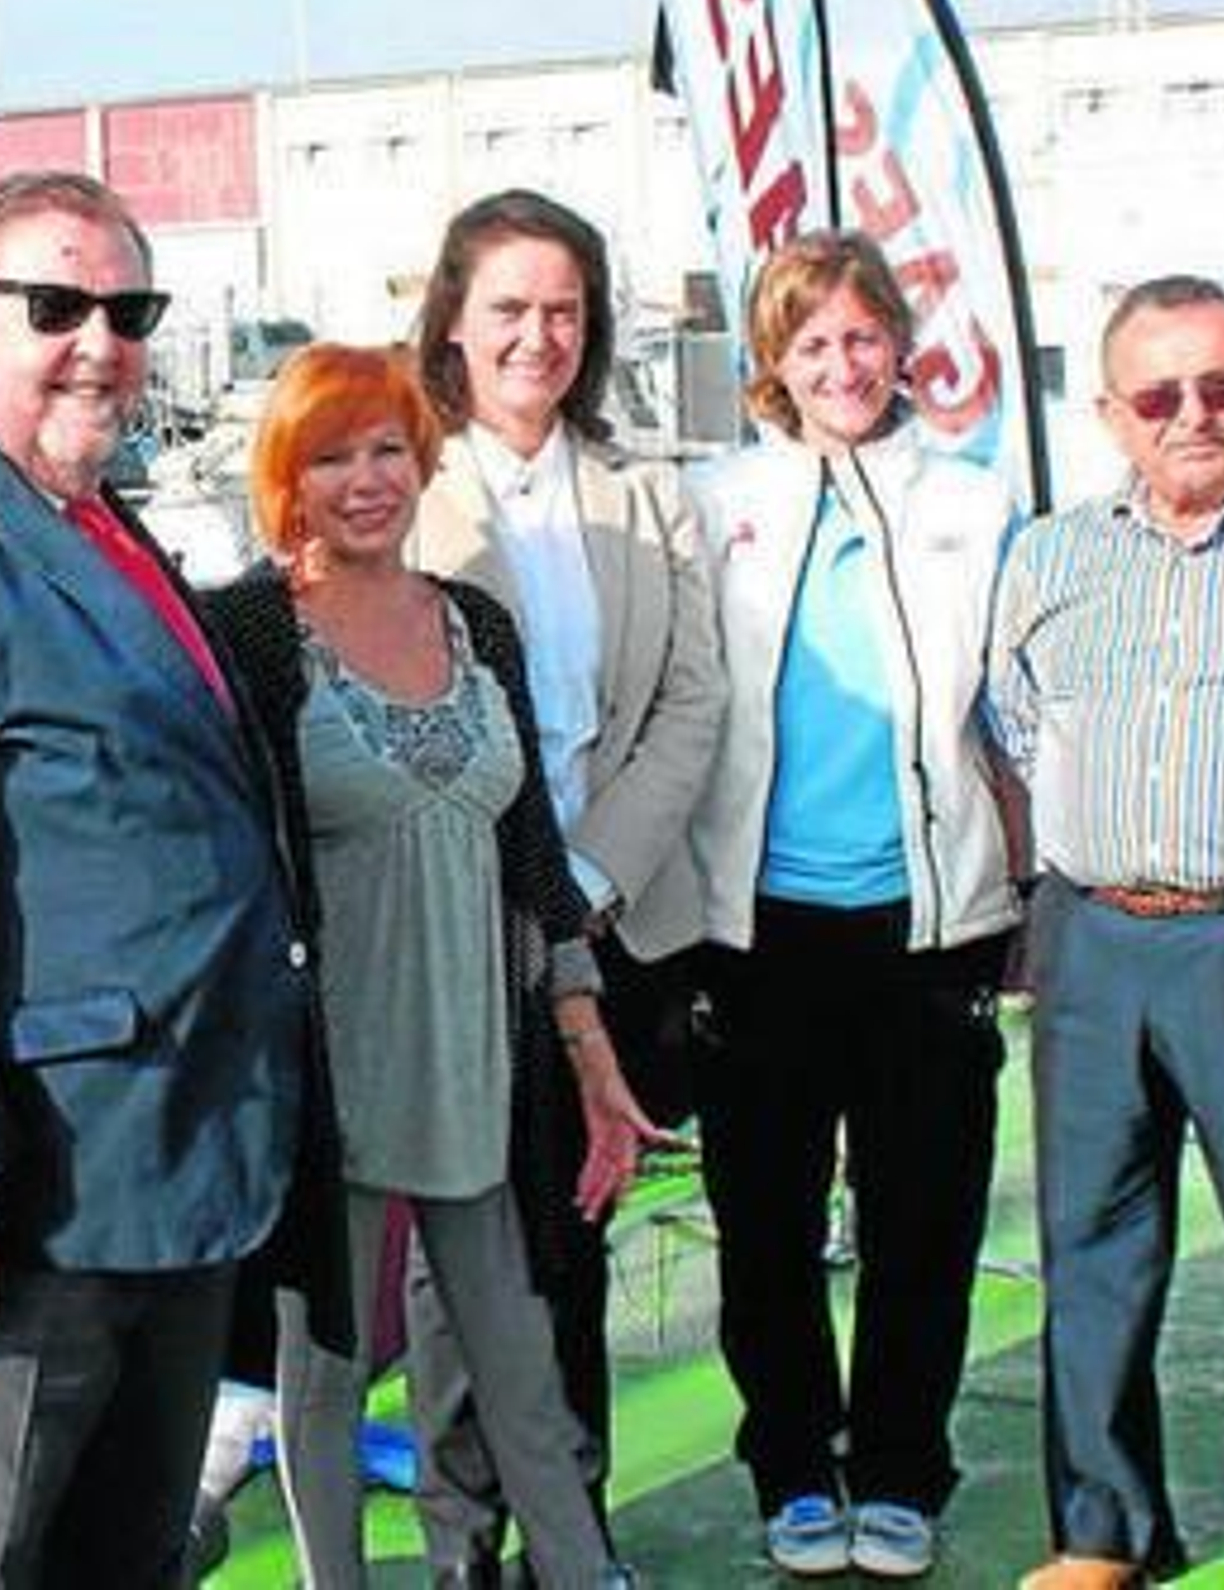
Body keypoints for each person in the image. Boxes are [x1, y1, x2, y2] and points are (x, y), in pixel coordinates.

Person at [0, 170, 337, 1587]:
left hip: (158, 1182)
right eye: (56, 303)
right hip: (2, 1217)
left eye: (127, 307)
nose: (99, 337)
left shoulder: (95, 517)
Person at [203, 341, 656, 1590]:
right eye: (331, 455)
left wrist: (590, 1047)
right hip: (325, 1078)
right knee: (325, 1372)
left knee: (517, 1352)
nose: (365, 479)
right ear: (287, 476)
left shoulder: (479, 625)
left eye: (386, 447)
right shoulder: (243, 629)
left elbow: (533, 858)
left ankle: (577, 1572)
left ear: (422, 456)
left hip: (478, 1064)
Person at [988, 276, 1224, 1590]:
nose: (1193, 415)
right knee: (1090, 1248)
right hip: (1092, 938)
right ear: (1111, 412)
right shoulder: (1049, 558)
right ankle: (1102, 1531)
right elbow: (1014, 725)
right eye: (1160, 395)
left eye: (1223, 386)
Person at [685, 229, 1022, 1581]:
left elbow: (1020, 702)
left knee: (921, 1219)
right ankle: (790, 1462)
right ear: (774, 361)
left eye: (862, 335)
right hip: (757, 927)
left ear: (901, 344)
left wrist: (1038, 878)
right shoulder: (716, 501)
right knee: (764, 1220)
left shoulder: (976, 498)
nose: (841, 362)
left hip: (928, 922)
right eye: (811, 341)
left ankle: (897, 1466)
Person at [406, 186, 724, 1582]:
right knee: (450, 1267)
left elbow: (694, 701)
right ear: (453, 325)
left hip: (611, 920)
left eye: (563, 311)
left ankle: (573, 1540)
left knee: (575, 1247)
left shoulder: (648, 494)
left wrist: (585, 879)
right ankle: (464, 1540)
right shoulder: (397, 480)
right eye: (508, 309)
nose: (538, 335)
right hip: (448, 937)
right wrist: (521, 889)